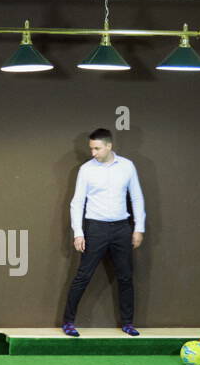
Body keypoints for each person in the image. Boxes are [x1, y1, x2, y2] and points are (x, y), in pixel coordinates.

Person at [62, 129, 146, 337]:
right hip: (95, 228)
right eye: (91, 148)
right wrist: (78, 233)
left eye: (97, 148)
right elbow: (77, 202)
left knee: (125, 277)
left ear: (109, 146)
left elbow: (136, 197)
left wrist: (138, 228)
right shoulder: (86, 170)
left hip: (121, 229)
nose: (93, 153)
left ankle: (128, 323)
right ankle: (68, 322)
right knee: (83, 276)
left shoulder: (127, 166)